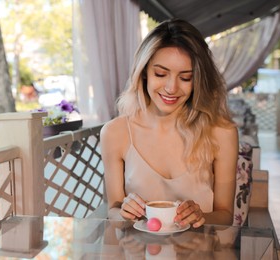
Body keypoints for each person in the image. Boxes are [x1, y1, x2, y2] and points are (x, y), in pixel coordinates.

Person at [100, 18, 238, 228]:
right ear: (144, 72)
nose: (172, 88)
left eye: (185, 78)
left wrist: (201, 217)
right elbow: (113, 211)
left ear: (198, 80)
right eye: (161, 74)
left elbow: (226, 215)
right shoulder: (115, 133)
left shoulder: (221, 133)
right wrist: (123, 212)